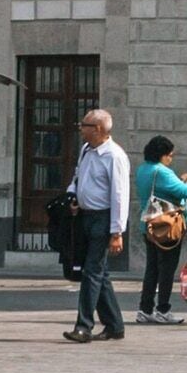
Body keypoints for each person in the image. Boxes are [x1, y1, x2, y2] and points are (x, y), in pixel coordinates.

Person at [66, 110, 129, 342]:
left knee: (92, 272)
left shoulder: (114, 156)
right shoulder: (86, 151)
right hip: (85, 216)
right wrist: (73, 195)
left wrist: (117, 232)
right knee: (99, 273)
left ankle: (84, 325)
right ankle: (115, 325)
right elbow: (78, 176)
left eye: (85, 125)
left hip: (104, 219)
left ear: (99, 129)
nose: (81, 128)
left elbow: (119, 195)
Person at [136, 135, 187, 325]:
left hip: (149, 225)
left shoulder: (142, 169)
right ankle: (163, 308)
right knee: (167, 269)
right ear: (162, 155)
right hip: (167, 227)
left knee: (152, 268)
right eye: (169, 155)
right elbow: (184, 192)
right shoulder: (162, 172)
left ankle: (145, 308)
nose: (171, 159)